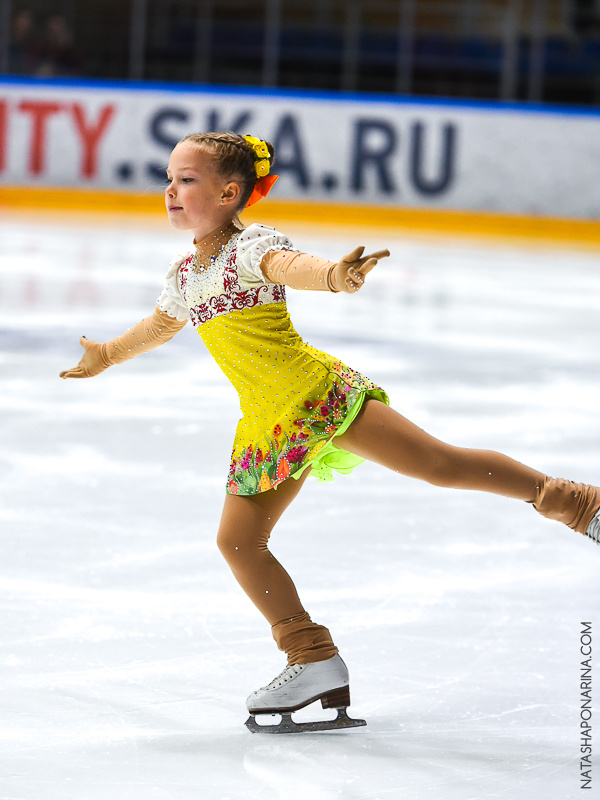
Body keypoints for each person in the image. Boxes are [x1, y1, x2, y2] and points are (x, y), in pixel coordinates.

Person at [60, 131, 600, 733]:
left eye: (186, 180)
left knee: (437, 465)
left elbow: (291, 267)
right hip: (267, 424)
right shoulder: (188, 275)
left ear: (230, 192)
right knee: (238, 542)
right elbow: (161, 324)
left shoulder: (248, 250)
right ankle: (311, 659)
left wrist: (336, 277)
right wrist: (107, 353)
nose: (170, 191)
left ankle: (575, 503)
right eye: (168, 179)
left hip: (316, 398)